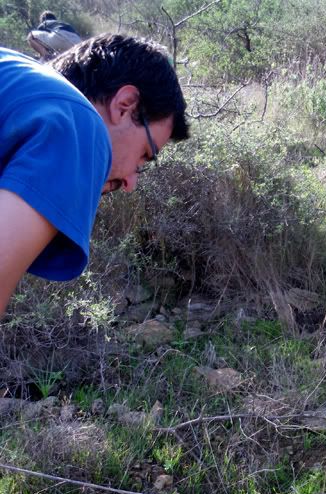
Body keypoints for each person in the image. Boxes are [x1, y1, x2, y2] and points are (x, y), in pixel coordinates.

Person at [0, 33, 189, 315]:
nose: (130, 183)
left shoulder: (15, 75)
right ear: (125, 105)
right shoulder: (80, 125)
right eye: (144, 156)